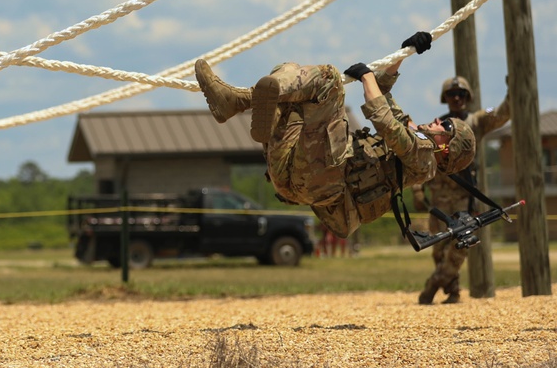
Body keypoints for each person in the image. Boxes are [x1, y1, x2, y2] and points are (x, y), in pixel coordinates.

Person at [193, 31, 476, 246]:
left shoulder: (425, 161)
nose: (440, 120)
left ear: (447, 151)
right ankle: (237, 102)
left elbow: (385, 122)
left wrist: (366, 78)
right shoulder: (416, 138)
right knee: (291, 76)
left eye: (447, 126)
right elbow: (386, 95)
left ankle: (241, 102)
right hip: (294, 172)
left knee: (328, 80)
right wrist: (406, 51)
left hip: (323, 181)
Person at [411, 75, 510, 305]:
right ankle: (453, 290)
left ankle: (434, 284)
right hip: (438, 195)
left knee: (459, 246)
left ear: (468, 97)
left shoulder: (476, 122)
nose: (457, 98)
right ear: (445, 98)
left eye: (461, 94)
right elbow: (422, 156)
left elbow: (503, 113)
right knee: (438, 249)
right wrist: (417, 189)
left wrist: (512, 91)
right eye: (452, 95)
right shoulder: (437, 125)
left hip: (463, 197)